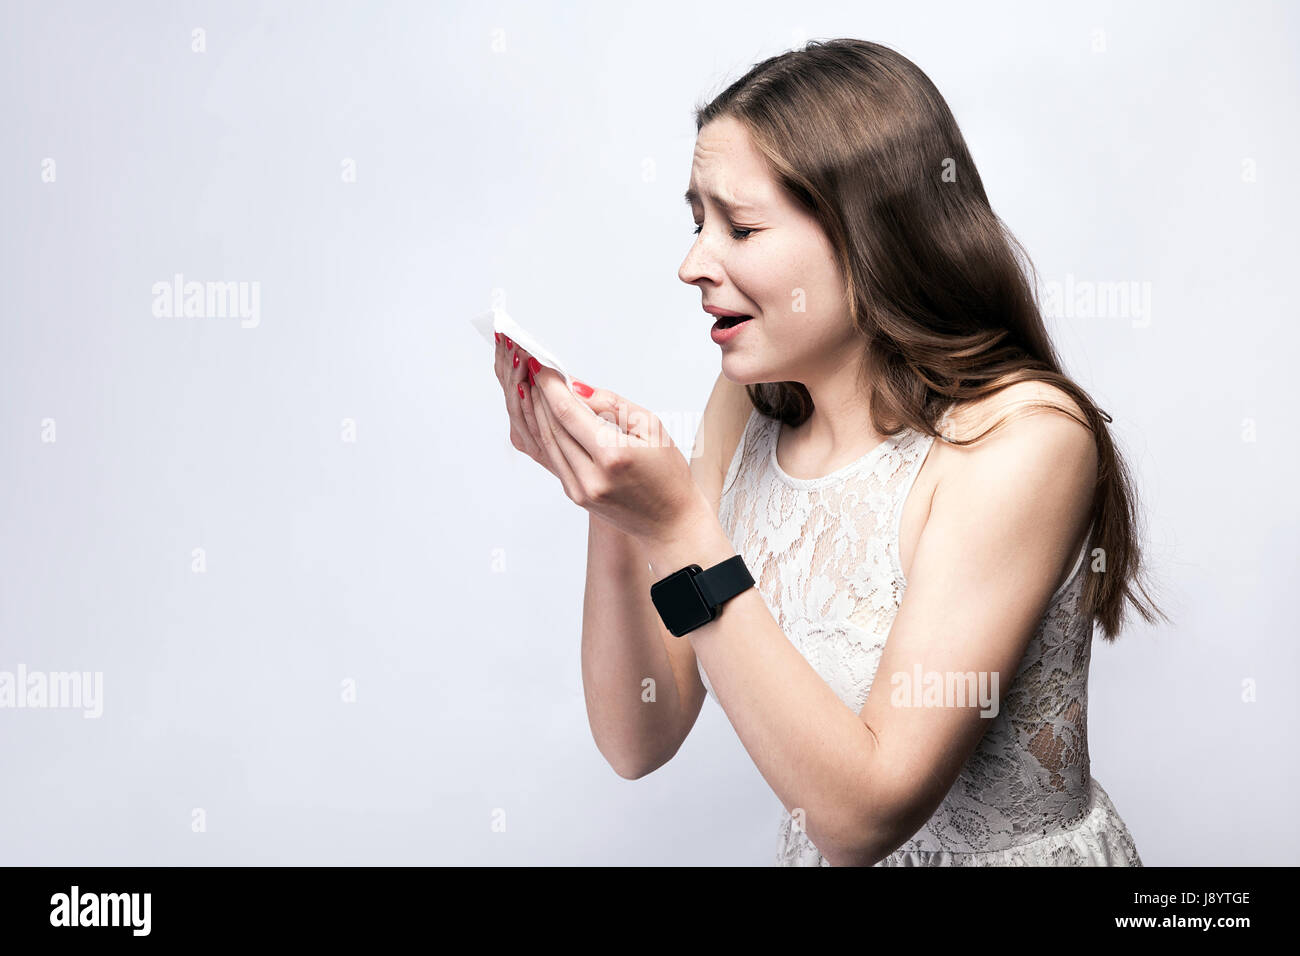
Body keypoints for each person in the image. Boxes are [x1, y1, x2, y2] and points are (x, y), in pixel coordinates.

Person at [491, 38, 1166, 866]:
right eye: (697, 221)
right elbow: (641, 734)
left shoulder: (1025, 441)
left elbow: (860, 820)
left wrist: (674, 528)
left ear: (865, 233)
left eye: (739, 226)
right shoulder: (747, 404)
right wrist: (614, 511)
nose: (692, 263)